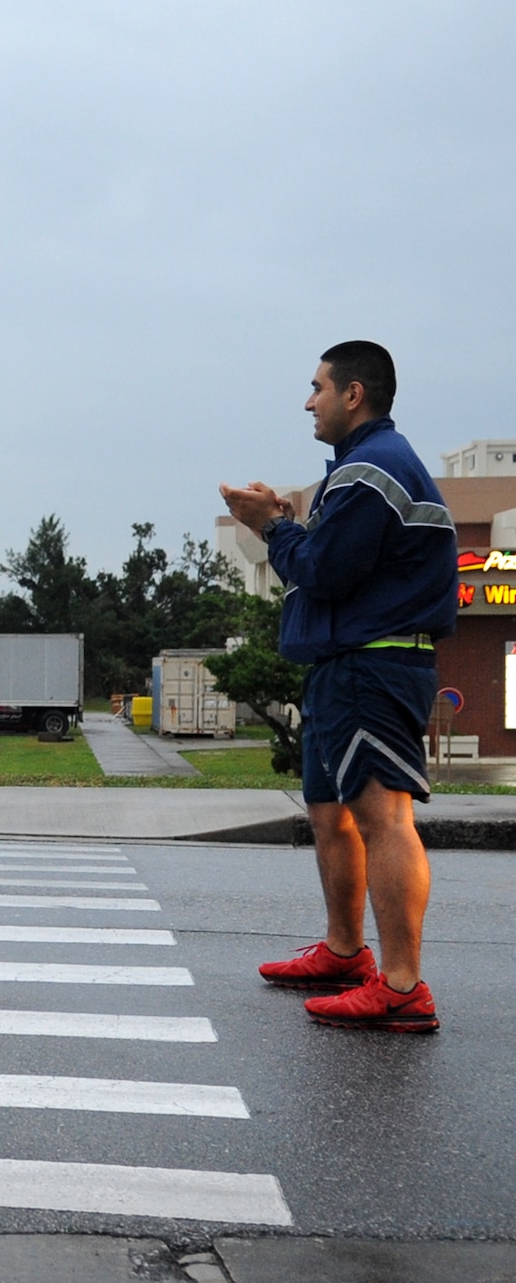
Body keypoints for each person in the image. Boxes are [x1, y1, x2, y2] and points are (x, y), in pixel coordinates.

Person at [220, 340, 456, 1033]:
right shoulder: (367, 469)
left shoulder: (369, 472)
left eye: (318, 387)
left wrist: (272, 527)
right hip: (344, 666)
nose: (308, 402)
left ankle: (402, 986)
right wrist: (290, 525)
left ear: (354, 394)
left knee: (383, 818)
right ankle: (346, 953)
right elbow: (339, 562)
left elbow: (323, 571)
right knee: (330, 813)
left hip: (370, 665)